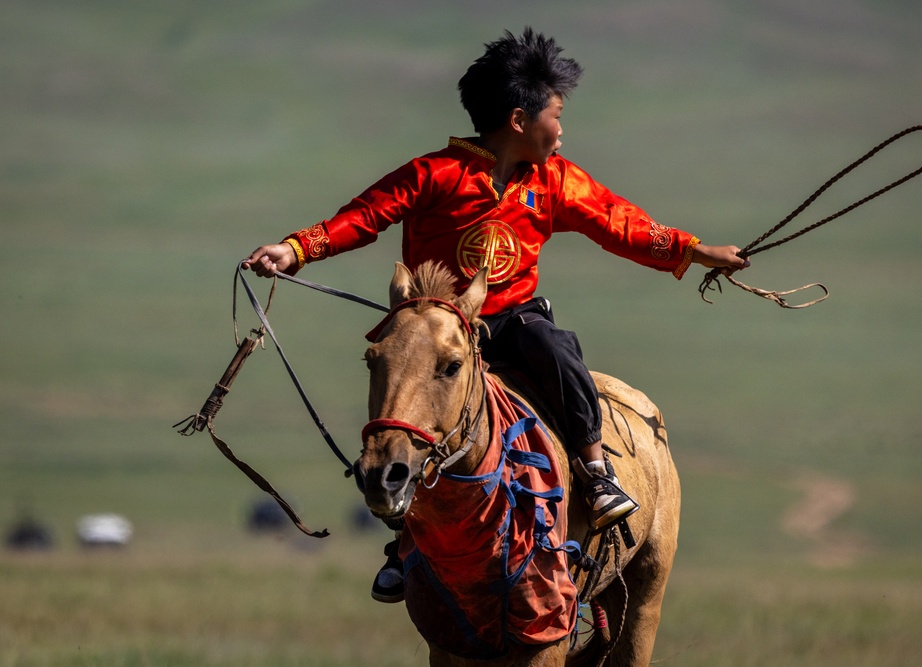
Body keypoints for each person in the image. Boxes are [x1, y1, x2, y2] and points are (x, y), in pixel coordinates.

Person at [244, 27, 748, 603]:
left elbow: (619, 222)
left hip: (510, 321)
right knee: (408, 416)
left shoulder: (554, 182)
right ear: (519, 119)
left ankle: (594, 471)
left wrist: (692, 249)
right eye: (556, 115)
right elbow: (363, 216)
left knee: (560, 350)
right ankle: (405, 546)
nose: (561, 131)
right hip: (437, 329)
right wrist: (296, 248)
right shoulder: (433, 174)